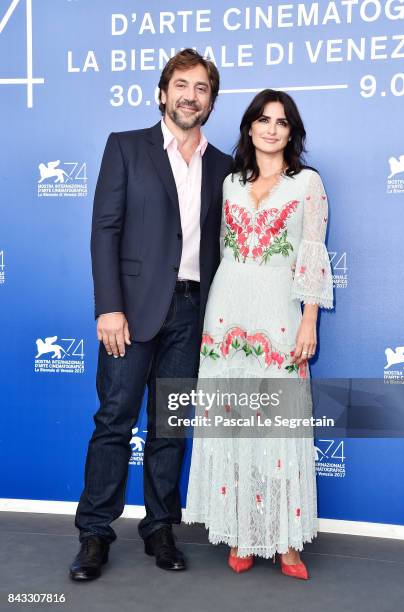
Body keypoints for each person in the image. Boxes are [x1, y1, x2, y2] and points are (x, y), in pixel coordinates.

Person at [69, 48, 233, 581]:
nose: (191, 95)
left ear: (211, 100)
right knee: (114, 420)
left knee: (170, 427)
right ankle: (95, 534)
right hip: (132, 311)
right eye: (181, 85)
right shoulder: (126, 148)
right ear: (163, 93)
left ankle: (160, 527)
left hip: (192, 312)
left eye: (202, 87)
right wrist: (109, 307)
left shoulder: (224, 166)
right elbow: (104, 232)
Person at [183, 89, 334, 579]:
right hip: (226, 315)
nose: (272, 128)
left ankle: (286, 543)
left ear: (292, 132)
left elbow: (311, 256)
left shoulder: (307, 184)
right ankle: (243, 532)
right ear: (249, 127)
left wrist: (309, 319)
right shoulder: (228, 183)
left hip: (279, 314)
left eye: (282, 122)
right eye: (263, 119)